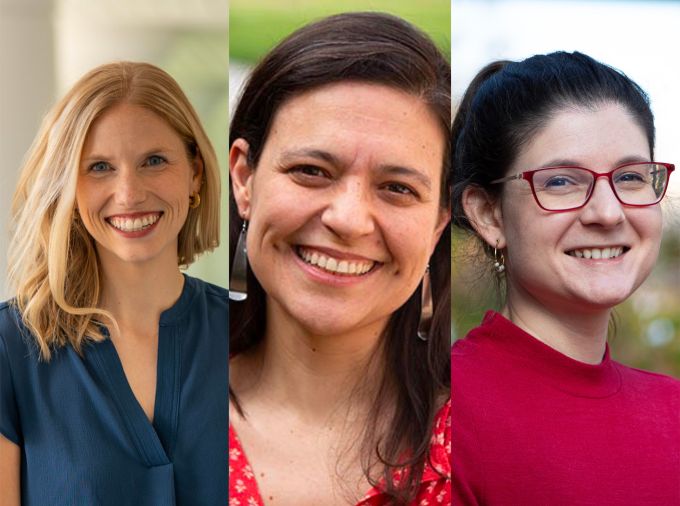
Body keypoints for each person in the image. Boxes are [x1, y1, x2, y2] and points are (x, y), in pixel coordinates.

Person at [228, 12, 451, 506]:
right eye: (311, 170)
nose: (349, 220)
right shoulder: (154, 415)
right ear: (244, 178)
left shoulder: (481, 447)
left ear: (438, 224)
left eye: (397, 188)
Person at [452, 51, 680, 505]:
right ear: (488, 214)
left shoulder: (672, 408)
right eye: (562, 182)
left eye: (631, 176)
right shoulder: (447, 410)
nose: (607, 212)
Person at [0, 62, 227, 505]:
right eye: (100, 167)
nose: (128, 193)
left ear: (195, 172)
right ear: (68, 184)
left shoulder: (249, 333)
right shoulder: (11, 349)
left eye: (154, 161)